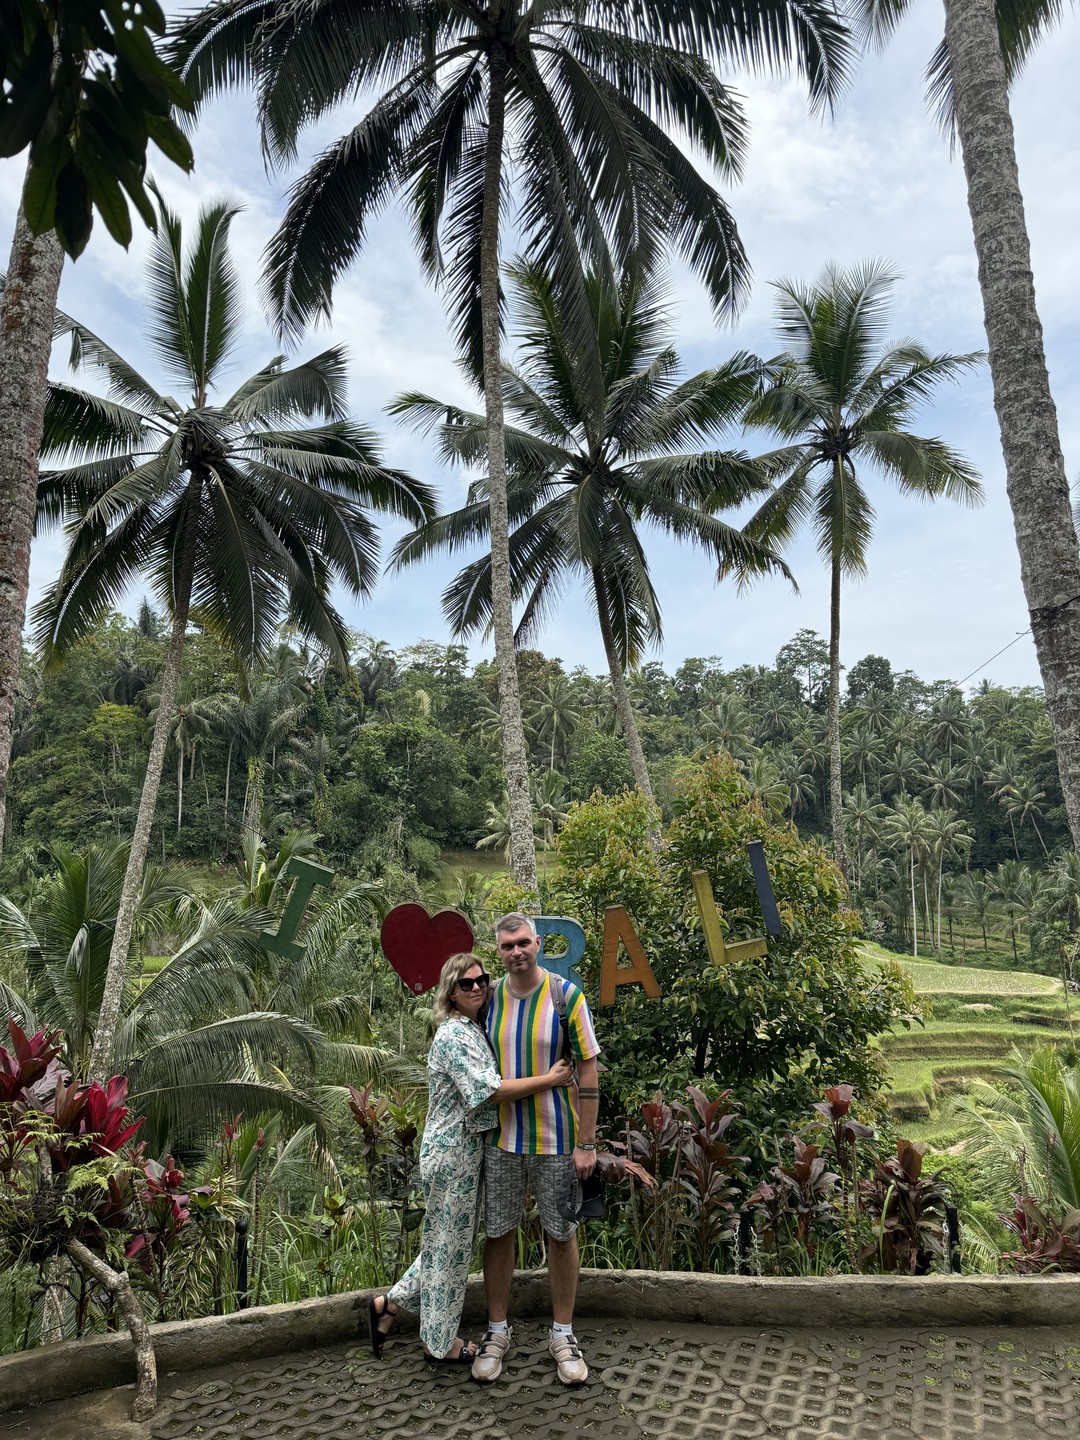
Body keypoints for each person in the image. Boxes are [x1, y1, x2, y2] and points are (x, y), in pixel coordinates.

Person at [368, 952, 572, 1363]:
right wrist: (550, 1080)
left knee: (445, 1244)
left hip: (467, 1150)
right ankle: (440, 1343)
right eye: (466, 983)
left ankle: (387, 1306)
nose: (477, 987)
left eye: (482, 980)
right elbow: (488, 1090)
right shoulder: (454, 1036)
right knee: (451, 1250)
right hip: (453, 1154)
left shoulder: (474, 1028)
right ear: (451, 992)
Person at [472, 913, 601, 1387]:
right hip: (502, 1141)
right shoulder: (486, 1001)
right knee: (498, 1232)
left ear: (539, 943)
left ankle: (563, 1334)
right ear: (499, 951)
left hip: (557, 1142)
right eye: (507, 946)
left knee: (561, 1234)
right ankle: (497, 1331)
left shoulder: (566, 997)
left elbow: (588, 1072)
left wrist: (586, 1144)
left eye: (523, 942)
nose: (516, 953)